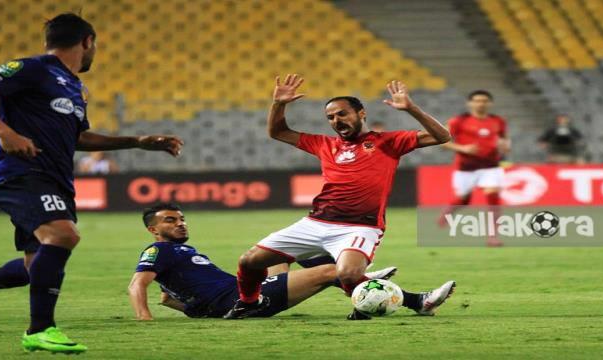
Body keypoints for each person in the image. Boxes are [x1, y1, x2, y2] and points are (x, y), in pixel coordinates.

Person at [0, 13, 183, 354]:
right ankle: (40, 329)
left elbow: (79, 137)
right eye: (95, 47)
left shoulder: (75, 88)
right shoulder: (32, 68)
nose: (94, 53)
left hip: (56, 179)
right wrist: (6, 132)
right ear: (87, 42)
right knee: (63, 236)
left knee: (37, 267)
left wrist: (137, 140)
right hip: (21, 173)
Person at [223, 75, 454, 320]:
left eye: (342, 114)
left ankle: (376, 303)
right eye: (331, 117)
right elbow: (278, 132)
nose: (336, 121)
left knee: (348, 274)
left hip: (359, 226)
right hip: (315, 222)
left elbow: (442, 137)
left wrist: (411, 108)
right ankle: (249, 303)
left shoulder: (387, 142)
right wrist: (279, 104)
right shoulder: (324, 144)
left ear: (361, 113)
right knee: (249, 261)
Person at [129, 203, 455, 320]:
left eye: (182, 218)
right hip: (238, 299)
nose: (181, 223)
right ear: (152, 229)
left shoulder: (180, 253)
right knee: (327, 271)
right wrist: (144, 319)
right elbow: (138, 285)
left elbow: (166, 297)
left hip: (230, 298)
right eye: (171, 220)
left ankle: (355, 275)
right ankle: (416, 301)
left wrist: (197, 310)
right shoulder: (158, 252)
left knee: (278, 256)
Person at [439, 90, 509, 247]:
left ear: (490, 103)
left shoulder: (498, 121)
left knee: (493, 197)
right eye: (477, 100)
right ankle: (447, 214)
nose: (481, 103)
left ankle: (493, 236)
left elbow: (504, 139)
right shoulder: (458, 121)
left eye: (484, 101)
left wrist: (505, 146)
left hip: (491, 165)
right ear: (469, 103)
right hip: (466, 167)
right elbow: (441, 141)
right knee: (463, 200)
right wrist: (463, 148)